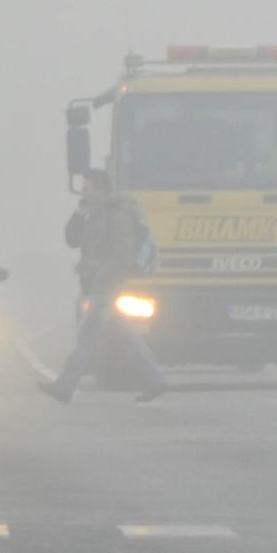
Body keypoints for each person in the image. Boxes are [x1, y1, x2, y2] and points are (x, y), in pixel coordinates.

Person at [40, 168, 166, 402]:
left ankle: (65, 386)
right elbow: (71, 239)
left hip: (108, 286)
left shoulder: (119, 215)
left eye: (87, 189)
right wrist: (79, 213)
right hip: (97, 284)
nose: (84, 193)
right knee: (126, 333)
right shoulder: (93, 214)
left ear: (100, 189)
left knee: (86, 336)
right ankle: (156, 379)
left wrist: (100, 275)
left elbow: (123, 256)